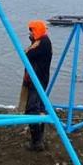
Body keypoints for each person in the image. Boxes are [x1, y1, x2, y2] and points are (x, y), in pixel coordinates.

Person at [22, 19, 52, 151]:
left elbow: (26, 54)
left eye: (32, 31)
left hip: (38, 79)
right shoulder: (41, 41)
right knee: (39, 108)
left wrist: (32, 44)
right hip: (38, 78)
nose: (31, 33)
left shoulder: (43, 42)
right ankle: (39, 139)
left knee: (31, 109)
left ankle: (37, 141)